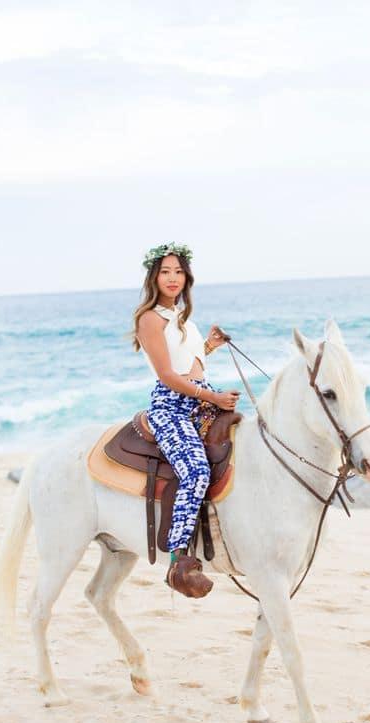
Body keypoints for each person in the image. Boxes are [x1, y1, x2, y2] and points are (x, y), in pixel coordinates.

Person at [132, 242, 240, 598]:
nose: (173, 278)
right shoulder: (149, 318)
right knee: (195, 470)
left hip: (198, 399)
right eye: (165, 271)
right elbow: (167, 375)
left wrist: (208, 346)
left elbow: (187, 361)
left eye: (178, 271)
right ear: (154, 276)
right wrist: (212, 397)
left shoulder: (182, 318)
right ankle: (178, 558)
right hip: (171, 406)